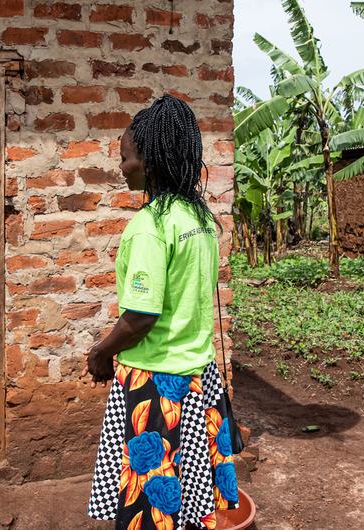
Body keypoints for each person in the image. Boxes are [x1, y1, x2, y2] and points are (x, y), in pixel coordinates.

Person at [86, 95, 239, 530]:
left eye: (126, 158)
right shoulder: (200, 218)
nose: (122, 168)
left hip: (154, 383)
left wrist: (101, 353)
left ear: (149, 161)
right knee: (191, 494)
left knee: (151, 502)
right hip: (198, 377)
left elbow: (140, 318)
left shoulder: (149, 227)